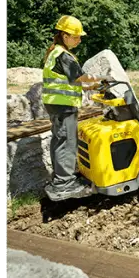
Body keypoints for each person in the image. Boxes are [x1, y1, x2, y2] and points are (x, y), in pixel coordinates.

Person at [41, 15, 111, 202]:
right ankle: (65, 182)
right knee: (67, 142)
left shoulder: (55, 52)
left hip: (56, 103)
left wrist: (92, 88)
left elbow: (69, 82)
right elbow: (80, 77)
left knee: (59, 140)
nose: (79, 40)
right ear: (64, 35)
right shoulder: (64, 55)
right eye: (76, 36)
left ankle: (60, 178)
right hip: (63, 107)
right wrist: (102, 77)